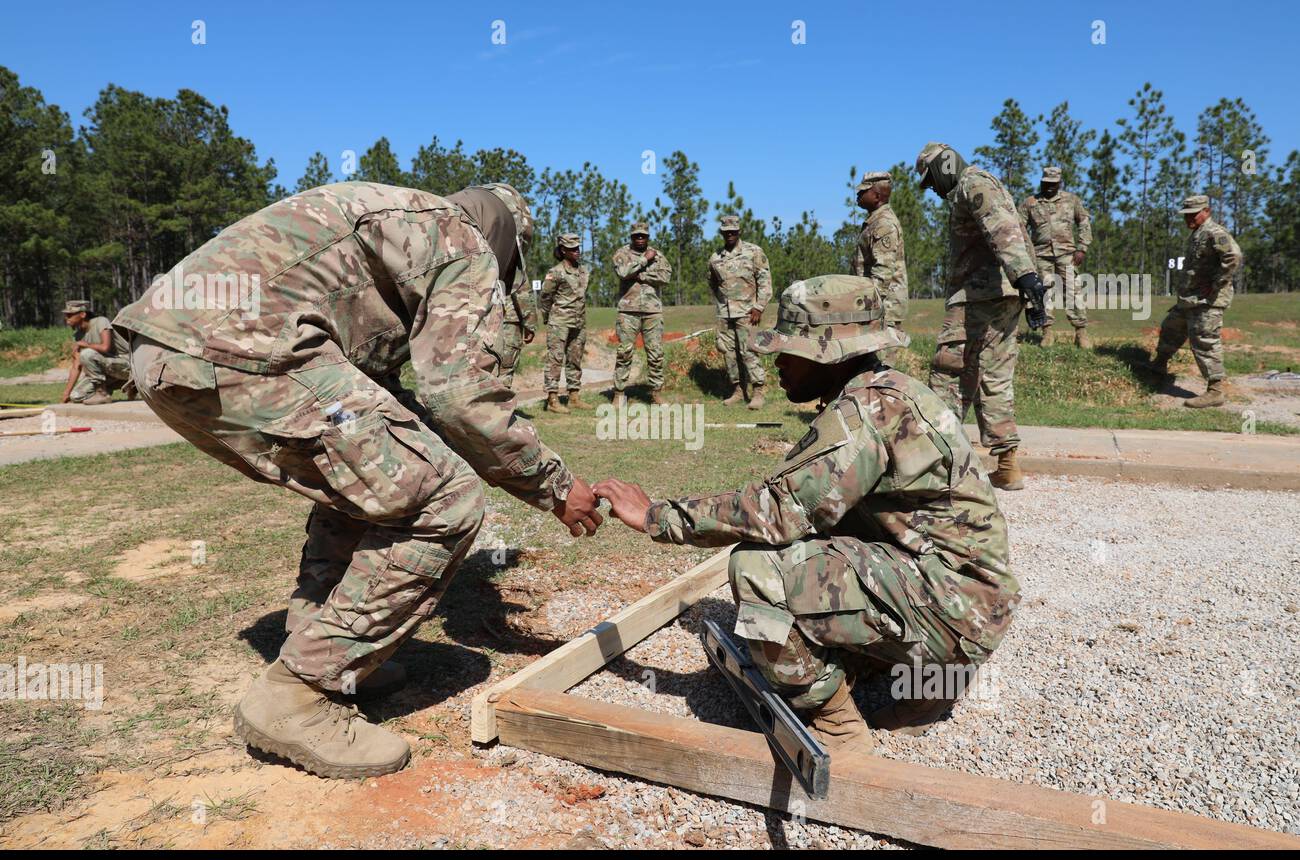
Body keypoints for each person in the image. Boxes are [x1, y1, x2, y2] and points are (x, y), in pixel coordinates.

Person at [113, 181, 603, 779]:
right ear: (510, 240)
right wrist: (554, 484)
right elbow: (462, 394)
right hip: (244, 350)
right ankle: (299, 695)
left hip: (167, 351)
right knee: (444, 497)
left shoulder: (406, 223)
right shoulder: (463, 239)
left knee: (375, 480)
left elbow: (390, 389)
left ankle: (324, 646)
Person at [595, 275, 1021, 748]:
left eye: (790, 348)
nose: (778, 361)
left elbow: (777, 510)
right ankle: (917, 677)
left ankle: (834, 720)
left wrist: (655, 515)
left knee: (758, 569)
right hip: (964, 599)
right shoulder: (887, 391)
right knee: (820, 538)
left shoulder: (863, 415)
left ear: (829, 353)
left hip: (956, 611)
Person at [915, 141, 1046, 491]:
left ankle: (936, 466)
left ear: (944, 165)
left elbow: (1001, 227)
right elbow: (1012, 231)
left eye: (930, 179)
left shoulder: (973, 183)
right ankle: (1008, 464)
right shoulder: (980, 183)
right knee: (994, 378)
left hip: (978, 297)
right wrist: (1026, 280)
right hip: (1000, 294)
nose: (931, 188)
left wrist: (1025, 275)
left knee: (949, 374)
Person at [1146, 194, 1243, 409]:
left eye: (1193, 214)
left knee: (1205, 341)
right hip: (1190, 299)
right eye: (1186, 215)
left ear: (1206, 211)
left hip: (1207, 301)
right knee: (1171, 328)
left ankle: (1215, 391)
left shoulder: (1214, 232)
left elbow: (1233, 256)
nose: (1188, 219)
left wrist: (1217, 283)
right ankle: (1158, 368)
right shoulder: (1198, 233)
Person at [1018, 166, 1093, 347]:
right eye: (1047, 183)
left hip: (1067, 254)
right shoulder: (1030, 203)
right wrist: (1025, 252)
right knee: (1044, 293)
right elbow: (1019, 228)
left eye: (1054, 184)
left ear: (1060, 183)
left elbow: (1084, 222)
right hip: (1040, 255)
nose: (1050, 187)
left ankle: (1081, 333)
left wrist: (1082, 247)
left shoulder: (1071, 200)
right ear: (1042, 182)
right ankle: (1047, 333)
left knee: (1073, 291)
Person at [707, 215, 772, 409]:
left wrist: (759, 306)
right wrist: (721, 303)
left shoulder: (753, 252)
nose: (730, 235)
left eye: (733, 232)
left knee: (749, 351)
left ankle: (758, 392)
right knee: (728, 353)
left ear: (739, 232)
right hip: (724, 314)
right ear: (722, 233)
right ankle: (737, 390)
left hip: (747, 312)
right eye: (726, 232)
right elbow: (712, 283)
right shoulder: (716, 257)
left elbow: (765, 281)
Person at [851, 171, 909, 367]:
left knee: (881, 368)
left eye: (862, 192)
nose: (857, 196)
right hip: (877, 306)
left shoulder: (883, 223)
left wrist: (869, 305)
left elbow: (883, 271)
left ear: (876, 196)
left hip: (884, 307)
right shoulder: (874, 221)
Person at [612, 221, 672, 406]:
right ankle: (619, 393)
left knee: (655, 353)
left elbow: (666, 276)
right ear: (631, 237)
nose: (640, 238)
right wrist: (645, 260)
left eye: (643, 236)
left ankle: (656, 393)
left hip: (652, 311)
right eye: (636, 235)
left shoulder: (658, 255)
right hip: (628, 311)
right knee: (625, 352)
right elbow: (623, 272)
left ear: (647, 237)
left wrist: (643, 276)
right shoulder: (622, 254)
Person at [539, 232, 591, 413]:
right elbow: (545, 297)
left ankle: (574, 396)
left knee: (575, 359)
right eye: (572, 249)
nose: (577, 251)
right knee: (555, 359)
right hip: (559, 321)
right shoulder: (556, 272)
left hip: (579, 322)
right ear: (563, 250)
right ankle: (552, 399)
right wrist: (547, 318)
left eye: (578, 248)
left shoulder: (584, 271)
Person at [60, 300, 132, 405]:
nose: (67, 318)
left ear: (82, 314)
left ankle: (102, 393)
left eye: (70, 315)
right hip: (107, 371)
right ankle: (122, 384)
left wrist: (85, 345)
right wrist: (66, 393)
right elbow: (76, 366)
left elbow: (105, 347)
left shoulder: (101, 322)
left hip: (127, 365)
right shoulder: (78, 335)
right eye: (66, 315)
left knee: (87, 354)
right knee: (76, 396)